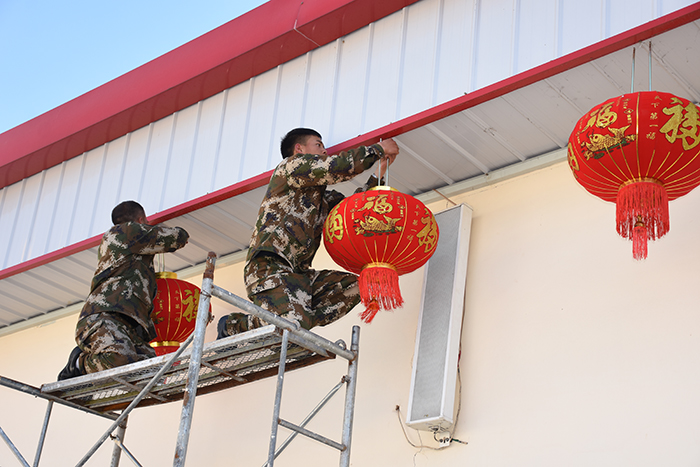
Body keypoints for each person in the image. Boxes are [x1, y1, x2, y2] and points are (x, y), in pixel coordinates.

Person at [218, 128, 399, 338]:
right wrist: (377, 149)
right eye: (318, 145)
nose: (324, 151)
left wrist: (379, 173)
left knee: (357, 287)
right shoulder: (290, 167)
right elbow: (335, 167)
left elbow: (353, 211)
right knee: (292, 325)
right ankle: (234, 325)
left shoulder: (323, 201)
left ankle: (297, 317)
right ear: (299, 149)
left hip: (299, 275)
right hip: (270, 266)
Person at [58, 201, 190, 380]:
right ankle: (78, 364)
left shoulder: (122, 241)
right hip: (105, 315)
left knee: (153, 373)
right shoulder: (126, 232)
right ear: (141, 220)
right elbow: (178, 237)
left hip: (130, 325)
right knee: (119, 360)